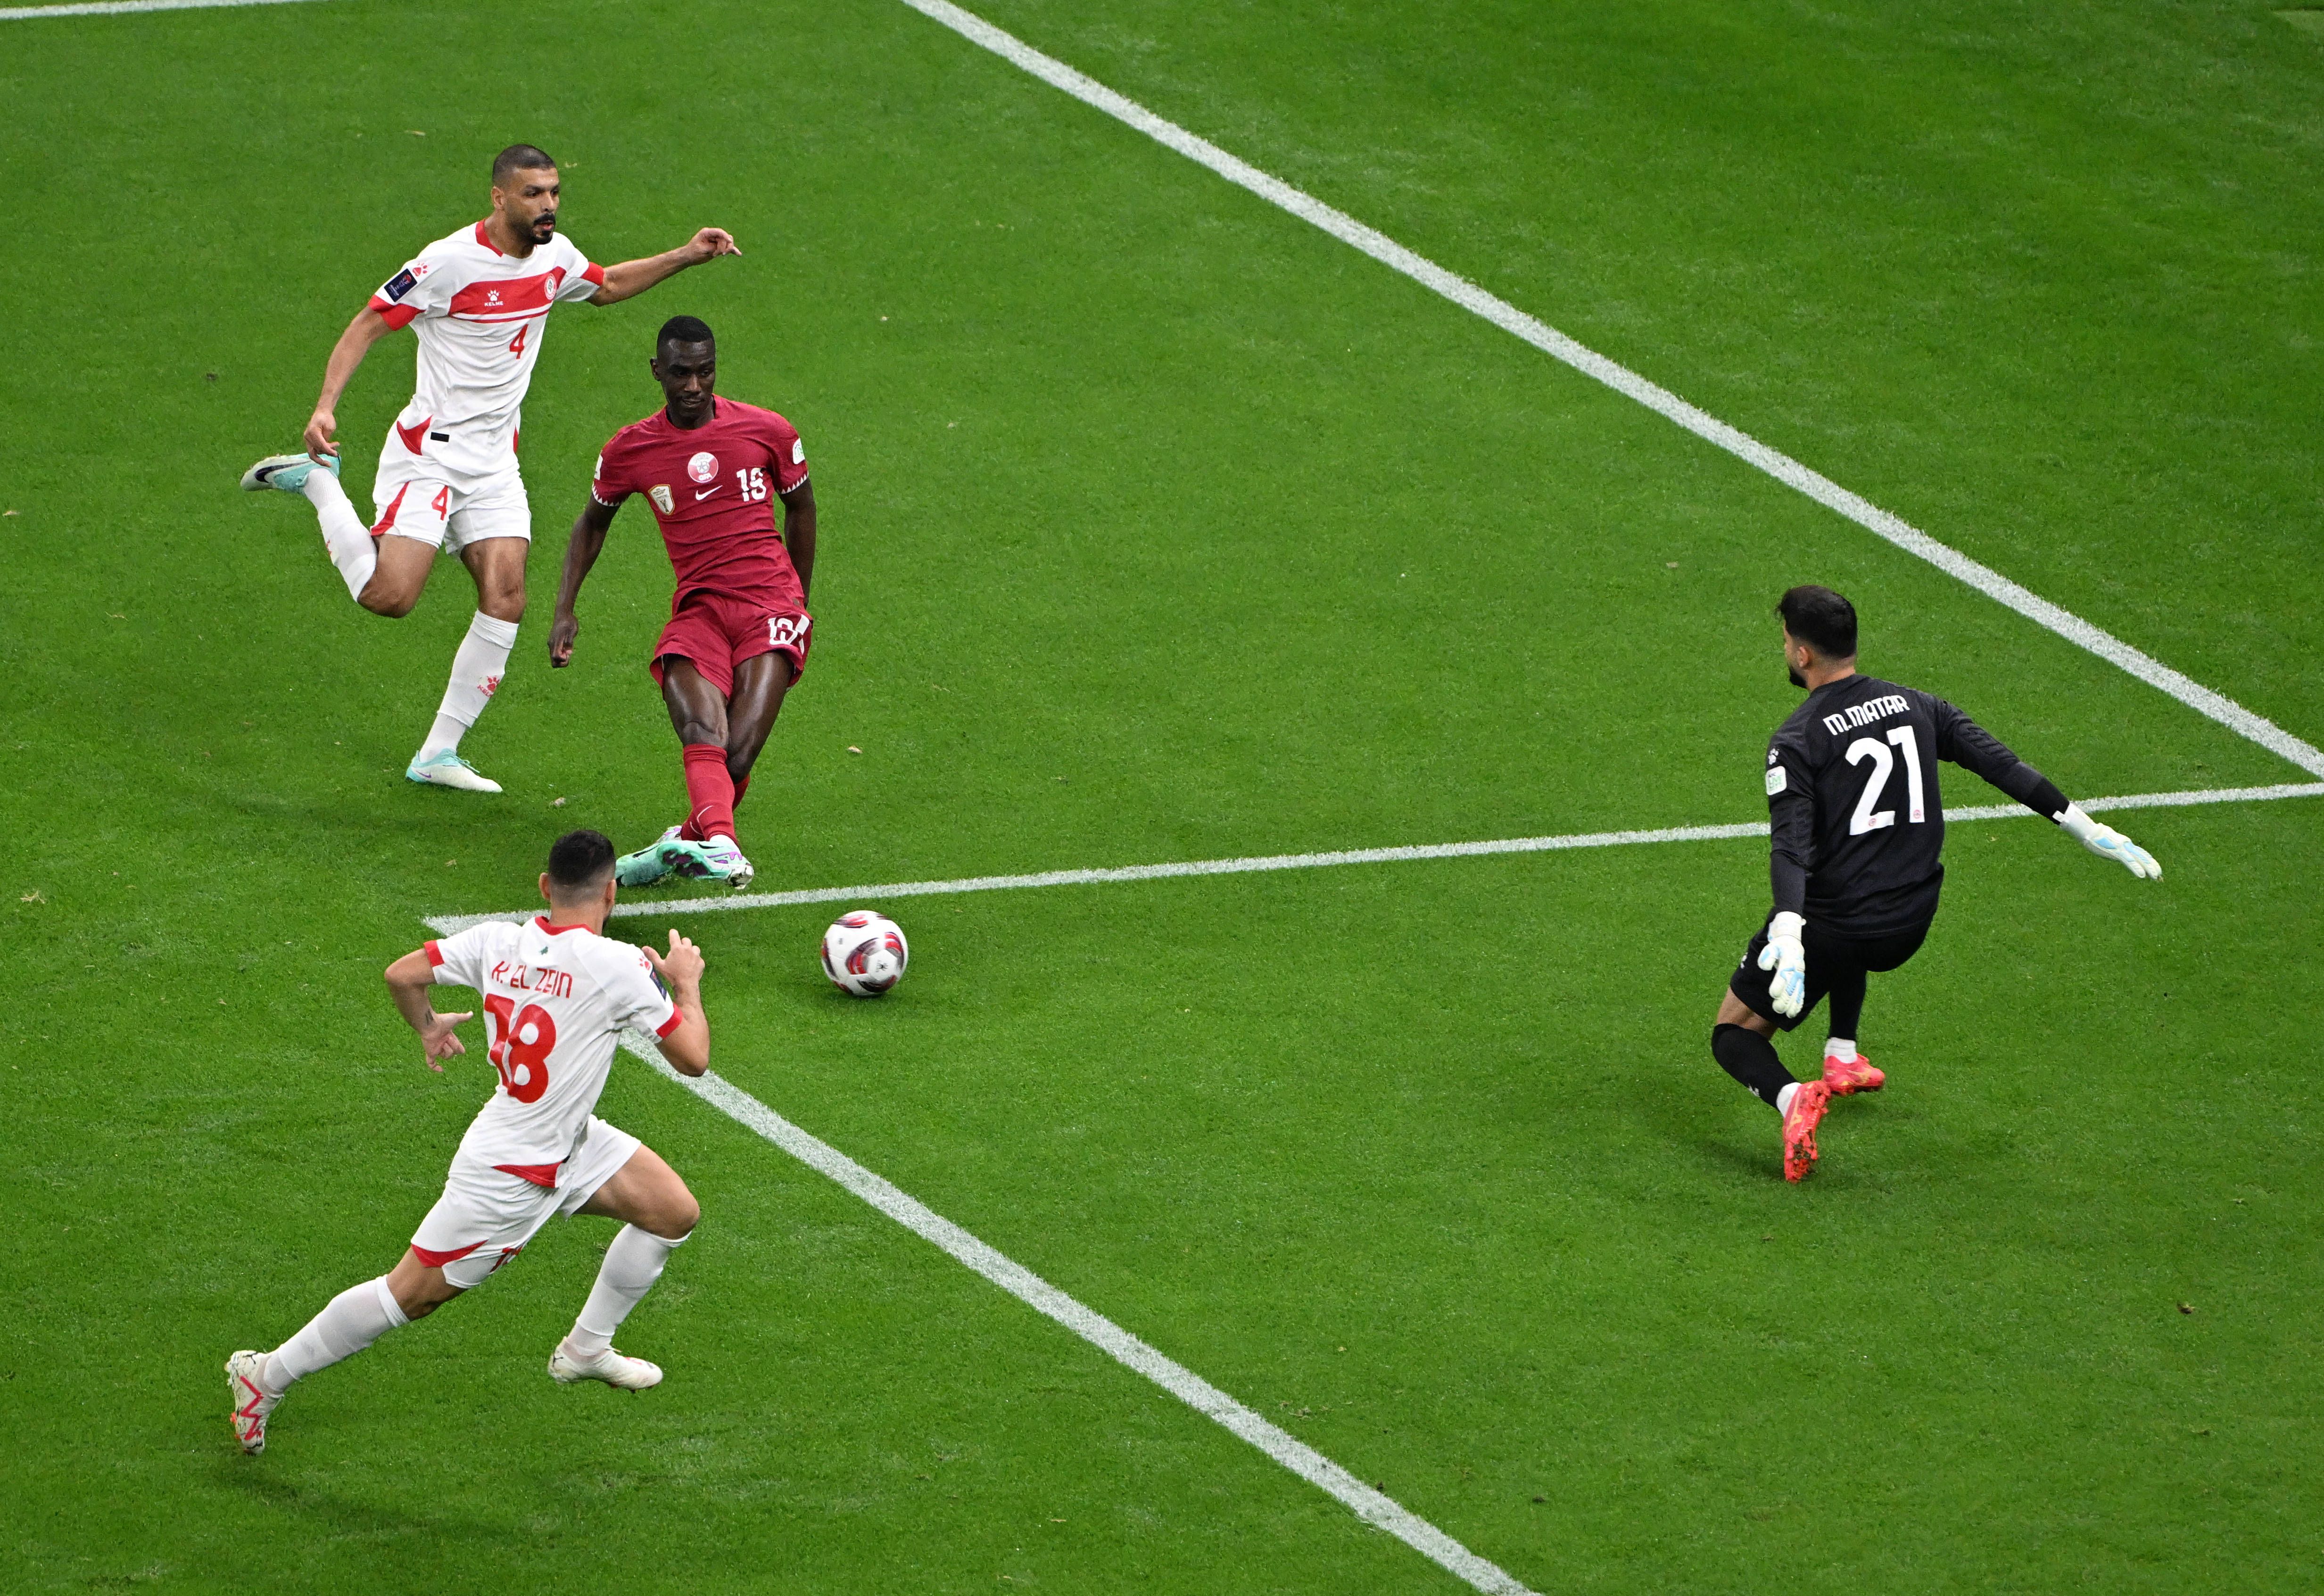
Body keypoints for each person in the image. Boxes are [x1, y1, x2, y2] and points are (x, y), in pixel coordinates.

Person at [237, 144, 741, 794]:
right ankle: (318, 483)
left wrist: (686, 254)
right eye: (534, 194)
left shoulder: (556, 258)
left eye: (554, 192)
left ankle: (438, 753)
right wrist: (325, 407)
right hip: (430, 454)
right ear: (499, 198)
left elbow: (609, 285)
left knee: (506, 597)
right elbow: (367, 324)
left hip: (495, 462)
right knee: (390, 598)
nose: (549, 205)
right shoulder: (447, 262)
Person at [227, 831, 711, 1455]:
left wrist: (428, 1027)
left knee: (672, 1211)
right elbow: (694, 1058)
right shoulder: (620, 965)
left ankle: (587, 1348)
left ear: (545, 886)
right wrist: (686, 984)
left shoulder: (494, 940)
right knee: (409, 1295)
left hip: (565, 1136)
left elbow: (402, 974)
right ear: (611, 892)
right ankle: (265, 1376)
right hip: (509, 1173)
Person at [1713, 585, 2162, 1182]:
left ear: (1802, 654)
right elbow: (2001, 763)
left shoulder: (1797, 739)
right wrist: (2087, 828)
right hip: (1909, 921)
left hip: (1836, 930)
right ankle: (1842, 1053)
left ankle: (1793, 1097)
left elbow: (1790, 845)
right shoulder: (1918, 705)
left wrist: (1789, 932)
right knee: (1856, 895)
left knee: (1732, 1034)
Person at [546, 316, 817, 892]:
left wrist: (799, 598)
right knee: (700, 727)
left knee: (737, 757)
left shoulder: (767, 430)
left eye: (705, 371)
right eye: (680, 373)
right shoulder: (631, 449)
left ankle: (688, 839)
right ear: (657, 371)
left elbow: (802, 508)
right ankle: (718, 843)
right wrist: (565, 608)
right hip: (700, 611)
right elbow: (592, 523)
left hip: (770, 604)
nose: (694, 385)